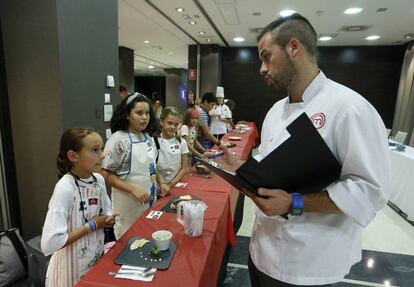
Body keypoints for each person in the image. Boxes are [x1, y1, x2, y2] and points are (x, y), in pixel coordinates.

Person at [242, 13, 390, 286]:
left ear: (293, 47)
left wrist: (294, 202)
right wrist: (244, 172)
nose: (262, 69)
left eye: (266, 56)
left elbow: (370, 191)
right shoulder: (275, 111)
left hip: (309, 264)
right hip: (261, 252)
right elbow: (267, 165)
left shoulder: (349, 108)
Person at [41, 128, 116, 287]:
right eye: (95, 150)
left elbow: (106, 208)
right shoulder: (65, 188)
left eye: (101, 149)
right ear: (73, 156)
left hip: (94, 257)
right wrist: (92, 225)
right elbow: (51, 242)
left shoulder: (98, 180)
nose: (102, 155)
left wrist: (108, 219)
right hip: (70, 268)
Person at [101, 92, 158, 239]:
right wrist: (133, 190)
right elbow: (106, 174)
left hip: (149, 200)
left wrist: (161, 182)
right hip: (128, 205)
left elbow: (152, 166)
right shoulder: (118, 140)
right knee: (130, 242)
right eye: (139, 113)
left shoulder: (147, 138)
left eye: (147, 113)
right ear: (127, 115)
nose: (144, 117)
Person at [155, 107, 189, 195]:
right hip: (156, 184)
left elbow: (184, 168)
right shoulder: (153, 141)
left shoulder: (182, 142)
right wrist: (162, 183)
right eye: (169, 123)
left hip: (175, 184)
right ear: (161, 122)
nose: (172, 127)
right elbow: (151, 166)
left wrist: (170, 184)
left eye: (176, 124)